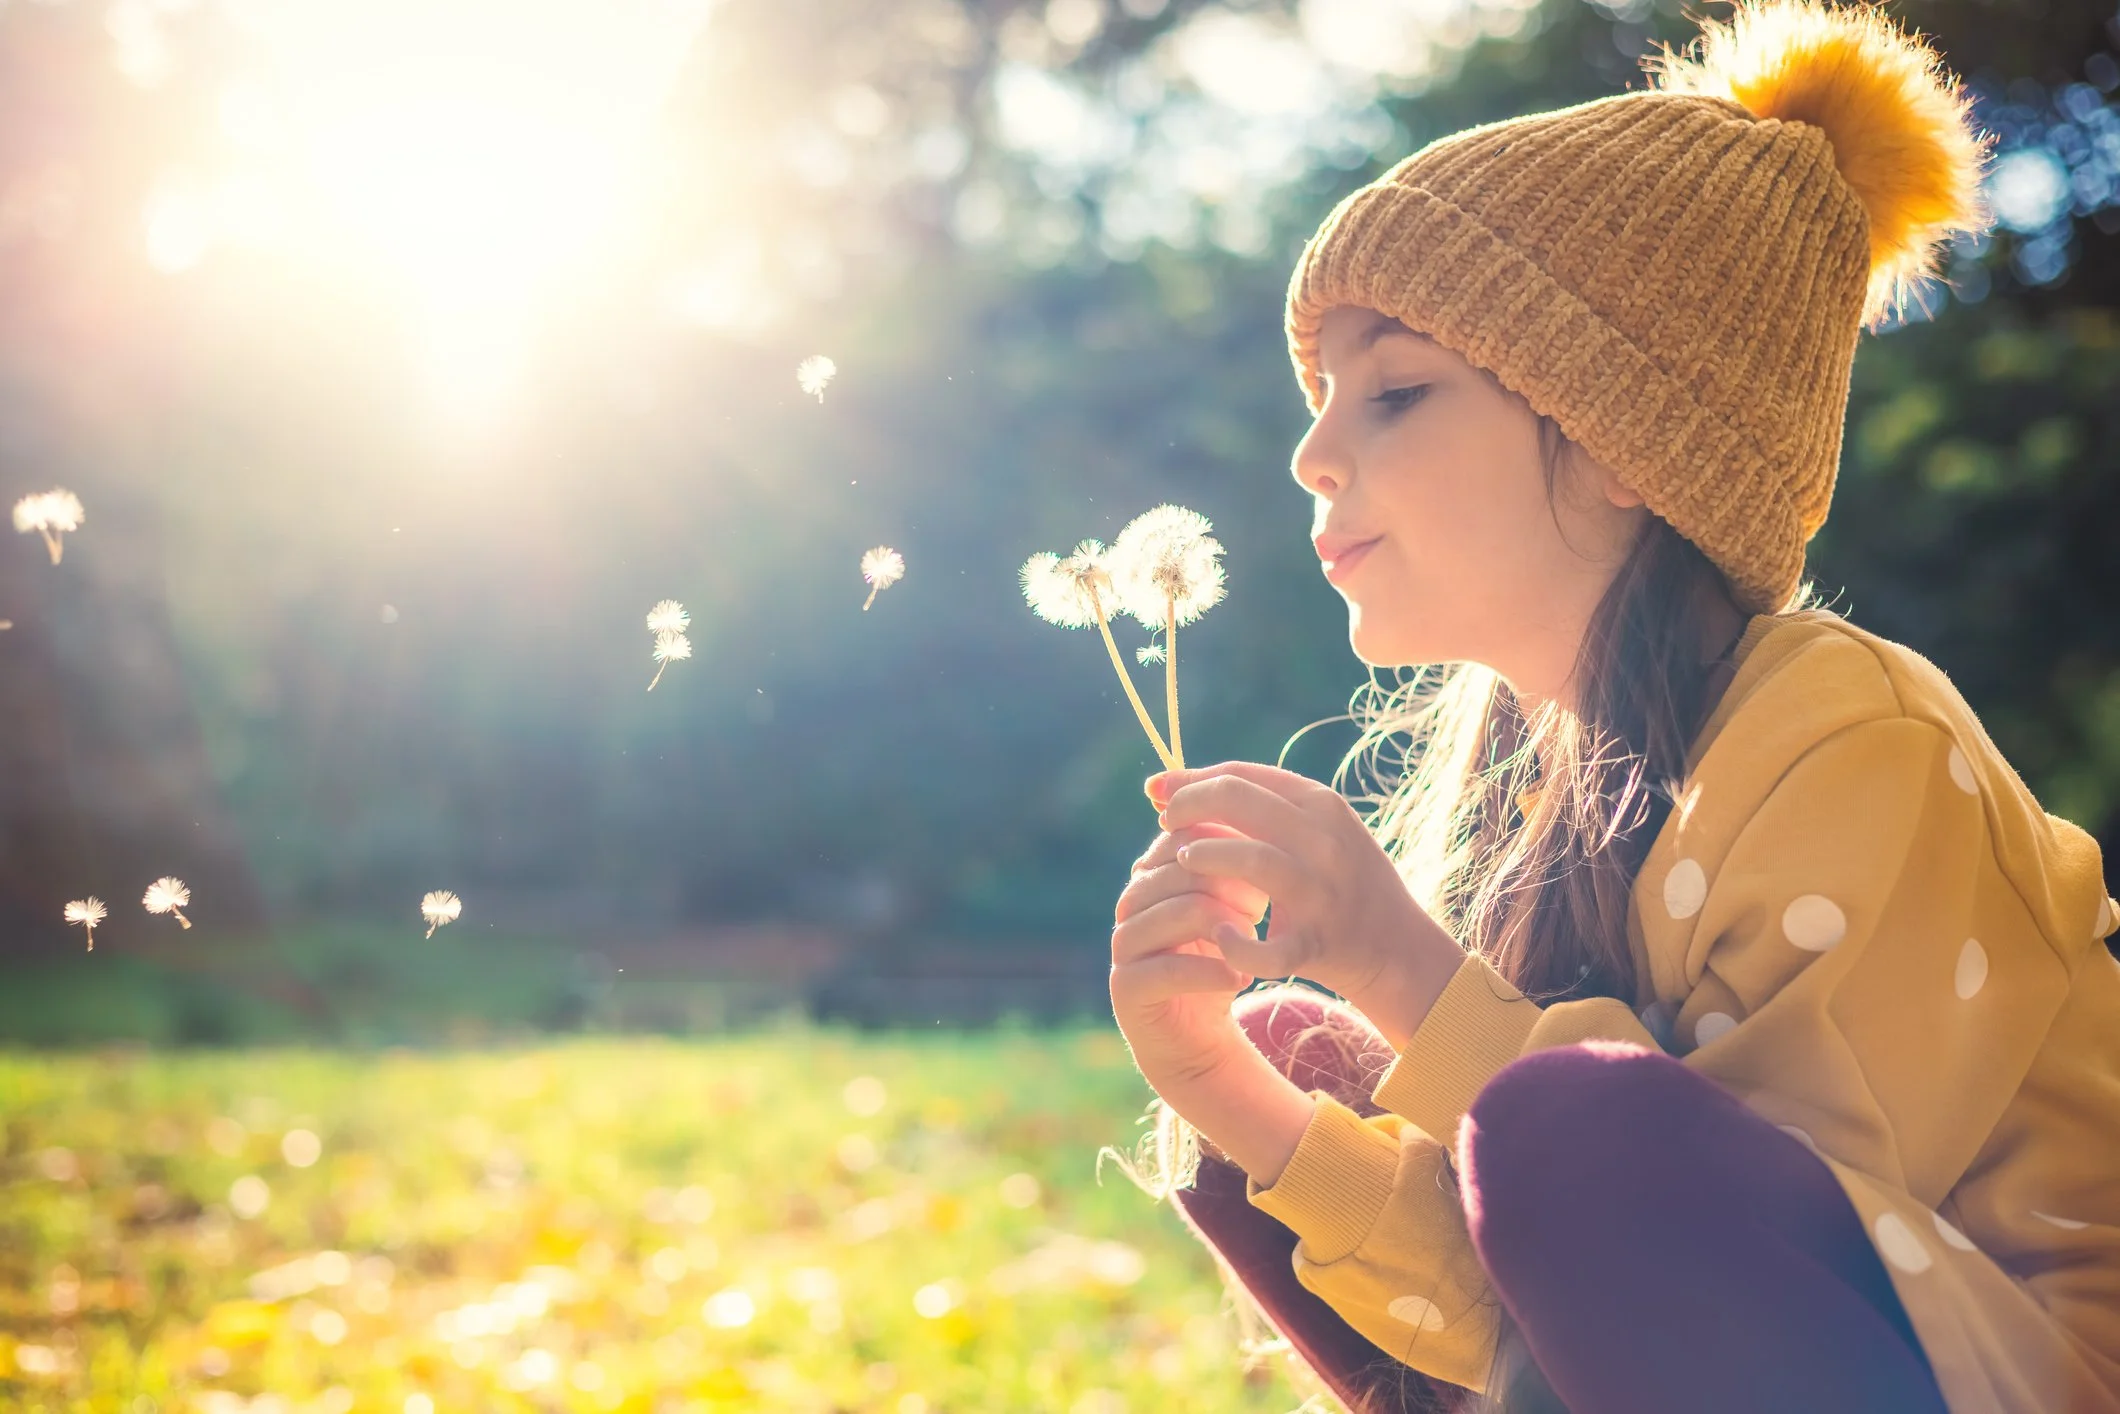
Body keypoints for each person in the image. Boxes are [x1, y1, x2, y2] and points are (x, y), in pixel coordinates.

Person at [1099, 3, 2120, 1411]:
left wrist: (1403, 963)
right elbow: (1552, 1310)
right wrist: (1230, 1101)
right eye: (1324, 397)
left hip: (2019, 1371)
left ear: (1626, 443)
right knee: (1291, 1068)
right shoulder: (1545, 781)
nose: (1312, 453)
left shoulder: (1853, 736)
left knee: (1558, 1114)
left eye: (1396, 390)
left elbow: (1731, 1263)